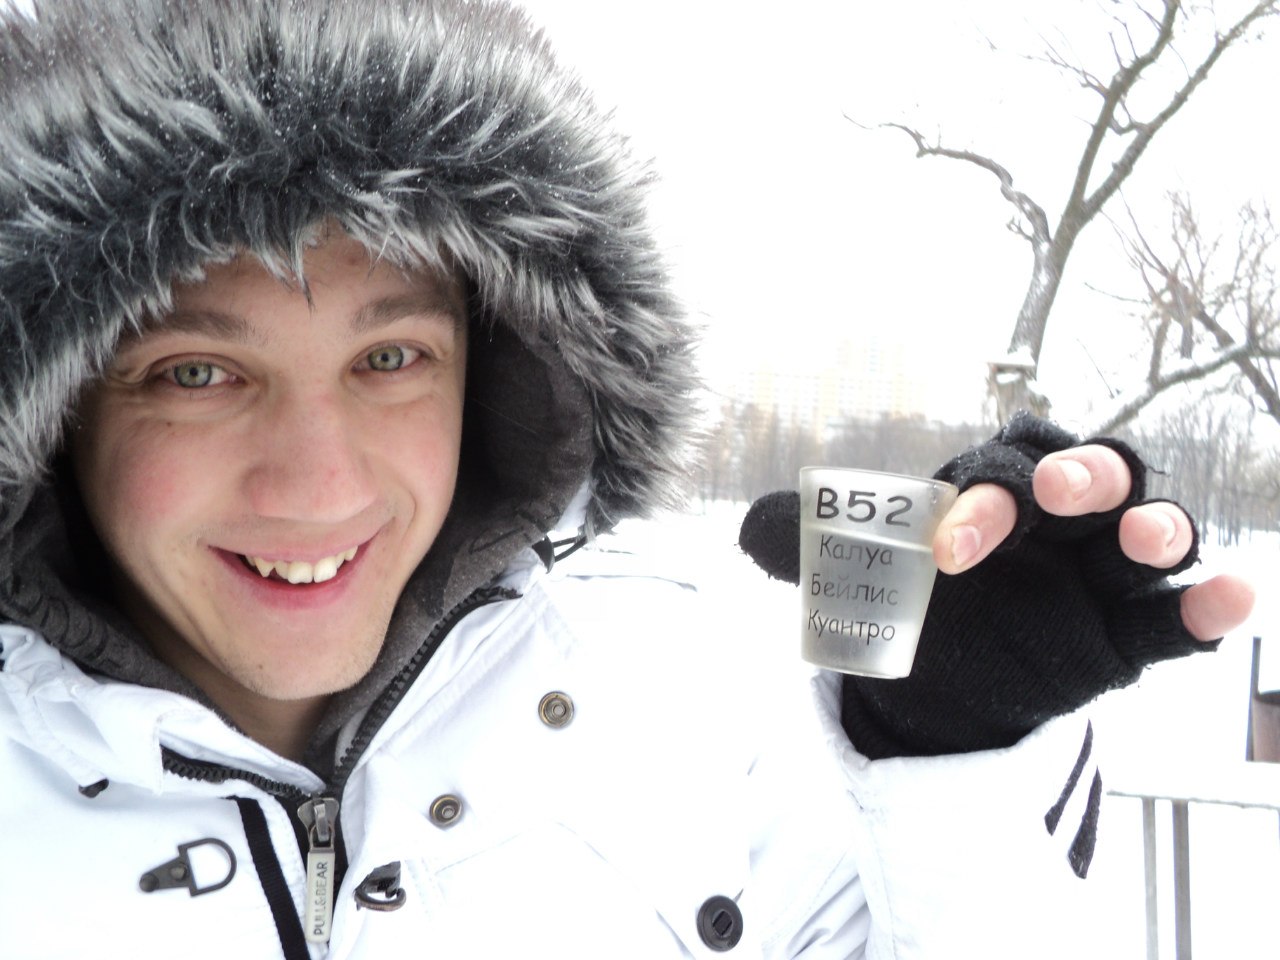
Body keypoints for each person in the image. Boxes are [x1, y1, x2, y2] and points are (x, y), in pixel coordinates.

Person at [0, 1, 1254, 958]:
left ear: (496, 378)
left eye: (389, 358)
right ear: (55, 414)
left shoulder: (691, 719)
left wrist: (952, 751)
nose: (318, 484)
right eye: (198, 374)